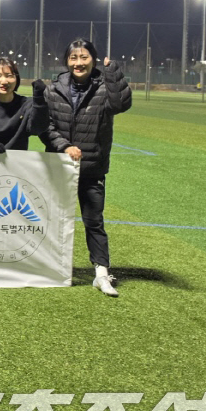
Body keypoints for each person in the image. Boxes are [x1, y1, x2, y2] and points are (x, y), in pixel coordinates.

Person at [40, 39, 133, 297]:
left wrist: (113, 73)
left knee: (93, 222)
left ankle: (102, 273)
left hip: (92, 168)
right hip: (59, 166)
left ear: (93, 59)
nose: (78, 63)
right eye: (73, 58)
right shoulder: (53, 89)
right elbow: (45, 128)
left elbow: (120, 105)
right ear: (66, 61)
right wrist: (64, 146)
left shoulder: (105, 87)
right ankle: (49, 267)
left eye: (83, 57)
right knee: (52, 219)